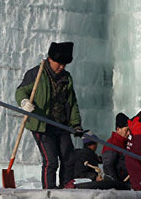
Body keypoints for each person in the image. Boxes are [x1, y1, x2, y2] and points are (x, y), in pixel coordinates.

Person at [15, 41, 84, 189]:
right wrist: (24, 101)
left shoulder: (66, 78)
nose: (62, 67)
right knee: (51, 160)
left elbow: (71, 103)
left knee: (68, 157)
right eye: (59, 63)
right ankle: (49, 190)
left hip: (61, 124)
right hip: (41, 124)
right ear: (50, 59)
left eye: (64, 64)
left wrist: (76, 124)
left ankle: (66, 186)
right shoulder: (36, 74)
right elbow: (21, 91)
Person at [101, 112, 131, 190]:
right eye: (126, 130)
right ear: (118, 129)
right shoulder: (111, 144)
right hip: (117, 186)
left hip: (125, 183)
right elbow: (108, 166)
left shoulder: (126, 144)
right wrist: (116, 184)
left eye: (129, 130)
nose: (129, 133)